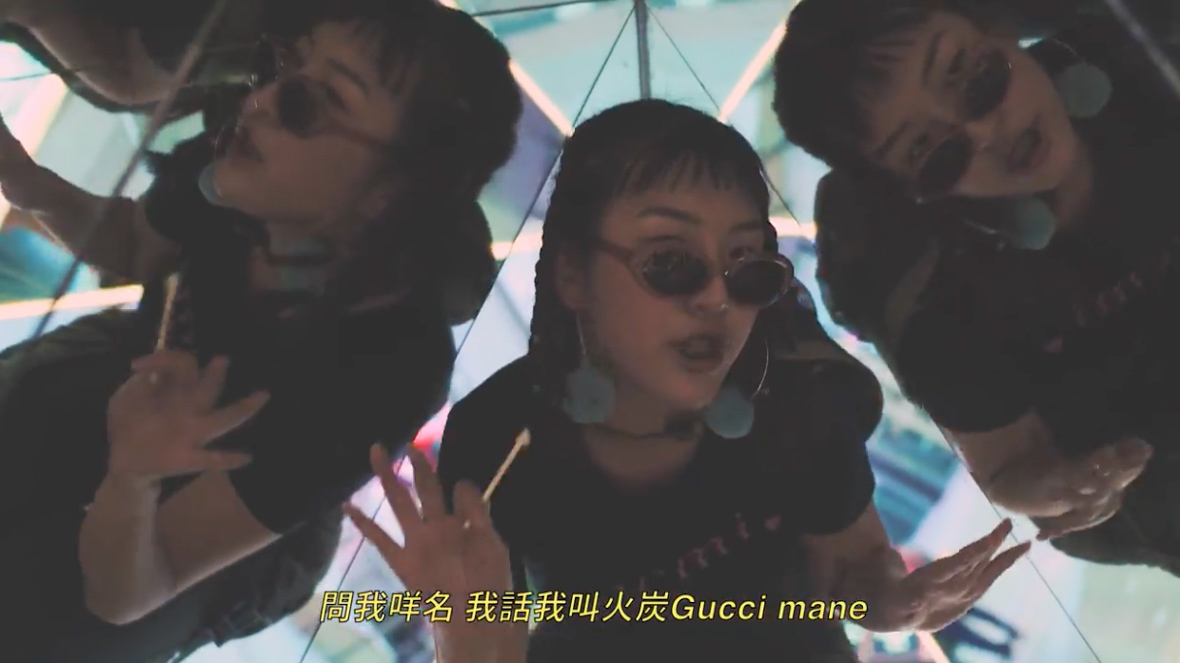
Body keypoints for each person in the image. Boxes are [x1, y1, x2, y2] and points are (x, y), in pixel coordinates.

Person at [348, 99, 1029, 662]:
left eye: (747, 267)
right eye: (670, 262)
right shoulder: (498, 438)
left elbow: (852, 569)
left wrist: (890, 602)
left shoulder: (797, 392)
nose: (716, 299)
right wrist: (464, 637)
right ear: (572, 274)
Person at [0, 1, 522, 661]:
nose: (261, 103)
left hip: (230, 529)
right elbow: (138, 245)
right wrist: (21, 178)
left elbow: (126, 593)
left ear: (391, 190)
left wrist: (133, 475)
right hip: (126, 383)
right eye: (278, 70)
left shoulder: (389, 367)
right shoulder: (241, 161)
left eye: (309, 104)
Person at [773, 0, 1180, 574]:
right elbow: (1009, 468)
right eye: (934, 153)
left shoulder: (1145, 61)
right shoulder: (936, 292)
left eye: (975, 78)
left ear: (1004, 28)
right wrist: (1062, 486)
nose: (987, 132)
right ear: (907, 190)